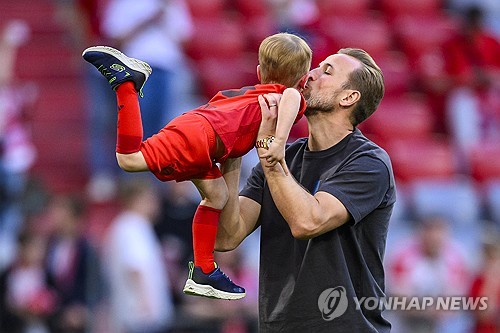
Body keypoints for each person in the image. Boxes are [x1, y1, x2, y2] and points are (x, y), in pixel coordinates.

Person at [82, 32, 312, 300]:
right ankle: (126, 84)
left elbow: (221, 106)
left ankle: (203, 270)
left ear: (260, 72)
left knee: (217, 195)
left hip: (199, 130)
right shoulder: (287, 97)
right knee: (129, 159)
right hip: (202, 138)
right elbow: (293, 100)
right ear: (303, 80)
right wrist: (277, 144)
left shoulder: (249, 93)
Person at [216, 48, 395, 332]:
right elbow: (226, 236)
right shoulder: (280, 157)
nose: (308, 75)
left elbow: (308, 221)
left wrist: (269, 151)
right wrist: (231, 154)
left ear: (348, 98)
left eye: (326, 71)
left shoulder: (368, 162)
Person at [103, 177, 174, 333]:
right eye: (151, 198)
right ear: (138, 199)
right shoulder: (132, 227)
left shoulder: (129, 225)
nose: (155, 203)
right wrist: (147, 304)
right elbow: (135, 267)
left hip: (137, 316)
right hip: (140, 317)